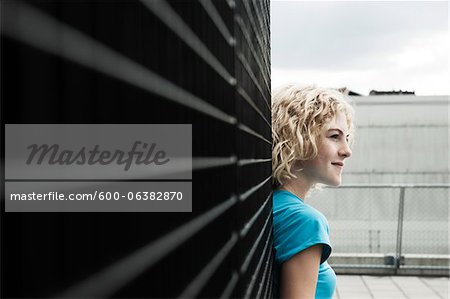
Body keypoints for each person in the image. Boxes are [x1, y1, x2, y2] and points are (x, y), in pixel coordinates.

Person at [271, 84, 354, 299]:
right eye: (334, 136)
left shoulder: (274, 203)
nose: (347, 151)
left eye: (347, 138)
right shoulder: (304, 221)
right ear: (298, 139)